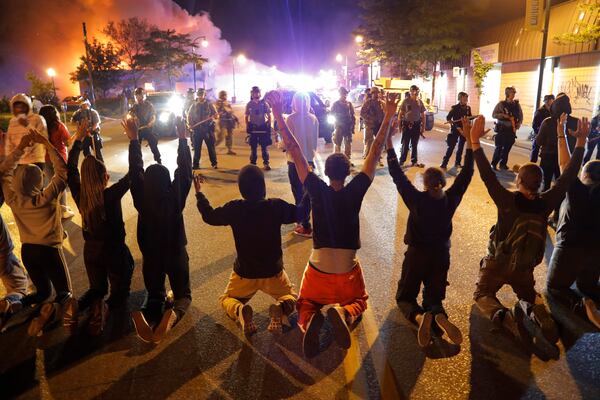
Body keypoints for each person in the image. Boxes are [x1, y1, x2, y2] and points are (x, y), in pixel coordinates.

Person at [265, 89, 399, 358]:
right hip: (347, 271)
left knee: (306, 303)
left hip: (319, 271)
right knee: (359, 301)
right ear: (349, 172)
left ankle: (308, 319)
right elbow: (374, 152)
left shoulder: (315, 188)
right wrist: (388, 115)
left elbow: (294, 149)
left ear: (325, 172)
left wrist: (278, 113)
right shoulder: (356, 189)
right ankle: (344, 312)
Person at [472, 112, 588, 353]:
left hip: (496, 263)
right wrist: (580, 142)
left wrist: (474, 142)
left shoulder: (506, 200)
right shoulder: (547, 202)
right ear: (540, 183)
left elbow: (486, 174)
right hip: (523, 269)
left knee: (482, 293)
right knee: (527, 294)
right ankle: (539, 313)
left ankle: (501, 316)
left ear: (519, 180)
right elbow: (567, 177)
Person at [389, 116, 475, 347]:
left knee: (405, 297)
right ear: (444, 183)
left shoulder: (416, 200)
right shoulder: (451, 199)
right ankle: (437, 314)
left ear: (424, 183)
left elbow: (397, 175)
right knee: (434, 295)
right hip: (440, 255)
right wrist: (470, 142)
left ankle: (419, 317)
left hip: (417, 255)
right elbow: (467, 174)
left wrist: (388, 144)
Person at [194, 166, 299, 335]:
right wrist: (308, 187)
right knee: (291, 297)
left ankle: (239, 310)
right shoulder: (275, 206)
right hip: (273, 272)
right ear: (263, 186)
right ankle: (280, 308)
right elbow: (301, 212)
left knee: (226, 299)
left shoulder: (235, 208)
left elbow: (210, 216)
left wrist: (200, 194)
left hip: (244, 273)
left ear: (241, 189)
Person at [0, 130, 78, 337]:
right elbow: (62, 171)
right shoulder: (47, 198)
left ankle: (13, 303)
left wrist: (20, 148)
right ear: (39, 181)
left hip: (28, 251)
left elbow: (4, 172)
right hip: (49, 250)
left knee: (43, 292)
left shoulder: (13, 200)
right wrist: (46, 143)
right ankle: (51, 310)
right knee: (65, 293)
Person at [125, 117, 192, 344]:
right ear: (167, 181)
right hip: (175, 252)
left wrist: (134, 140)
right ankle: (172, 315)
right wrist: (183, 138)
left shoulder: (141, 199)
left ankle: (145, 313)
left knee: (154, 295)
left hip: (151, 254)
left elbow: (135, 171)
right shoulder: (175, 198)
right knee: (183, 295)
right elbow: (184, 171)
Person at [66, 123, 134, 335]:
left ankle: (78, 305)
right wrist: (134, 139)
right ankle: (104, 309)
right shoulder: (111, 195)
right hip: (114, 251)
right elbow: (135, 172)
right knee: (119, 292)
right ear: (104, 177)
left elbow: (70, 170)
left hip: (91, 251)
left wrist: (78, 140)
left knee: (97, 289)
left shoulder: (80, 196)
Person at [547, 114, 600, 329]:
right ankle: (590, 296)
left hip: (569, 248)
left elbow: (564, 164)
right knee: (588, 284)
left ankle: (582, 303)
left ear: (584, 174)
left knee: (555, 287)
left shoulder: (577, 190)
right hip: (596, 251)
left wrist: (564, 134)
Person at [535, 93, 572, 227]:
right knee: (561, 187)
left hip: (547, 158)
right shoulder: (573, 122)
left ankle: (541, 213)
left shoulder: (548, 121)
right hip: (566, 159)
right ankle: (557, 215)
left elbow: (538, 141)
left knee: (544, 185)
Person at [285, 92, 318, 237]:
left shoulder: (290, 119)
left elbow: (287, 142)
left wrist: (280, 145)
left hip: (294, 161)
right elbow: (315, 141)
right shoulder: (313, 118)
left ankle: (304, 224)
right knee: (307, 192)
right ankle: (304, 221)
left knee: (298, 191)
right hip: (309, 159)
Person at [39, 105, 75, 219]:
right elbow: (68, 143)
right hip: (59, 159)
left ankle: (57, 208)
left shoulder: (40, 128)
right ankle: (63, 209)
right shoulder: (59, 126)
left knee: (51, 184)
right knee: (61, 184)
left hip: (45, 158)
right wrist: (77, 135)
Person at [5, 94, 46, 170]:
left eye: (22, 106)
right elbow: (9, 142)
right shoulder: (12, 121)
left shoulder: (38, 119)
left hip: (35, 161)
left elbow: (42, 138)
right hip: (18, 163)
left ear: (28, 106)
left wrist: (27, 125)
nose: (20, 109)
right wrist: (10, 160)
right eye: (17, 107)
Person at [491, 86, 523, 170]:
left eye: (514, 93)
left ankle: (503, 164)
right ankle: (494, 163)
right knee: (499, 147)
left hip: (511, 130)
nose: (514, 94)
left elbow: (520, 115)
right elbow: (494, 115)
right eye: (512, 92)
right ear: (507, 94)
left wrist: (519, 123)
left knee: (507, 148)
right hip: (502, 129)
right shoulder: (501, 104)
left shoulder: (516, 104)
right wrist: (503, 115)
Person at [187, 88, 218, 169]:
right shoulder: (193, 105)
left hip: (208, 129)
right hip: (197, 130)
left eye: (202, 94)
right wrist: (190, 125)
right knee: (197, 148)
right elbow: (189, 116)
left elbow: (216, 115)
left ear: (205, 95)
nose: (200, 96)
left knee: (211, 148)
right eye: (199, 94)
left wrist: (215, 116)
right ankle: (196, 164)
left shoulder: (209, 104)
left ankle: (214, 163)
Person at [128, 87, 161, 164]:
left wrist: (151, 123)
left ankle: (158, 160)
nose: (139, 98)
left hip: (147, 128)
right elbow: (130, 117)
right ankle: (138, 162)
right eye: (137, 96)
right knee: (136, 146)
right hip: (138, 130)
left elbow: (153, 116)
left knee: (153, 143)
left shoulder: (149, 105)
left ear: (144, 96)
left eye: (140, 95)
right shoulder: (134, 107)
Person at [440, 92, 472, 169]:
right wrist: (451, 122)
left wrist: (470, 118)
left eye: (466, 98)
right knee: (451, 147)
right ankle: (444, 163)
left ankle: (457, 162)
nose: (466, 100)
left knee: (461, 147)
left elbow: (470, 117)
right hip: (456, 129)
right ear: (460, 98)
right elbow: (448, 117)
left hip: (464, 130)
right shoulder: (454, 108)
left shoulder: (468, 108)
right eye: (464, 98)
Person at [398, 85, 426, 168]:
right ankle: (402, 160)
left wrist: (423, 127)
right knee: (405, 144)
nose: (416, 93)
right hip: (407, 125)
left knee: (414, 144)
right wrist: (399, 126)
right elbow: (400, 114)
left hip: (416, 125)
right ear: (410, 92)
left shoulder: (420, 102)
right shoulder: (406, 101)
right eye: (414, 91)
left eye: (417, 91)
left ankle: (414, 161)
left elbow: (423, 115)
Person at [245, 86, 272, 170]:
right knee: (253, 148)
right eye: (254, 93)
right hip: (253, 128)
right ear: (251, 94)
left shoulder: (264, 104)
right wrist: (247, 125)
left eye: (257, 92)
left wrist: (268, 124)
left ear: (260, 94)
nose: (256, 94)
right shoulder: (249, 104)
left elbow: (269, 115)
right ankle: (253, 164)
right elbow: (246, 116)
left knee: (264, 148)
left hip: (262, 128)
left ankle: (266, 163)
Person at [331, 87, 356, 163]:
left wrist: (353, 126)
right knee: (337, 143)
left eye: (345, 94)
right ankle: (336, 160)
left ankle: (347, 160)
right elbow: (332, 114)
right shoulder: (335, 104)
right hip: (339, 126)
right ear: (340, 94)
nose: (344, 95)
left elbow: (352, 115)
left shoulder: (349, 104)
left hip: (348, 126)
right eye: (342, 94)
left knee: (348, 144)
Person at [360, 86, 384, 161]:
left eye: (377, 93)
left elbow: (382, 113)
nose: (376, 95)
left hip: (378, 125)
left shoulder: (380, 103)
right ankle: (367, 157)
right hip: (370, 125)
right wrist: (370, 120)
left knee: (378, 142)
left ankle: (377, 157)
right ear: (372, 94)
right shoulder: (368, 102)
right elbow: (362, 113)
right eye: (375, 93)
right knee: (369, 142)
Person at [530, 94, 554, 163]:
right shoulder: (540, 111)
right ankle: (532, 164)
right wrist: (538, 132)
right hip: (540, 132)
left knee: (546, 151)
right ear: (546, 101)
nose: (552, 102)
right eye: (550, 100)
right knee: (536, 148)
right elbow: (534, 124)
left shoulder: (553, 111)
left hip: (549, 134)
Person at [215, 90, 238, 155]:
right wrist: (221, 106)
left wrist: (235, 118)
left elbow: (231, 111)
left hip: (229, 121)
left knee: (229, 136)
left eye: (225, 95)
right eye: (223, 95)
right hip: (223, 122)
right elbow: (217, 111)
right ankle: (212, 147)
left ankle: (229, 149)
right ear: (220, 96)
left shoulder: (227, 102)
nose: (225, 96)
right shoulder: (218, 102)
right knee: (221, 136)